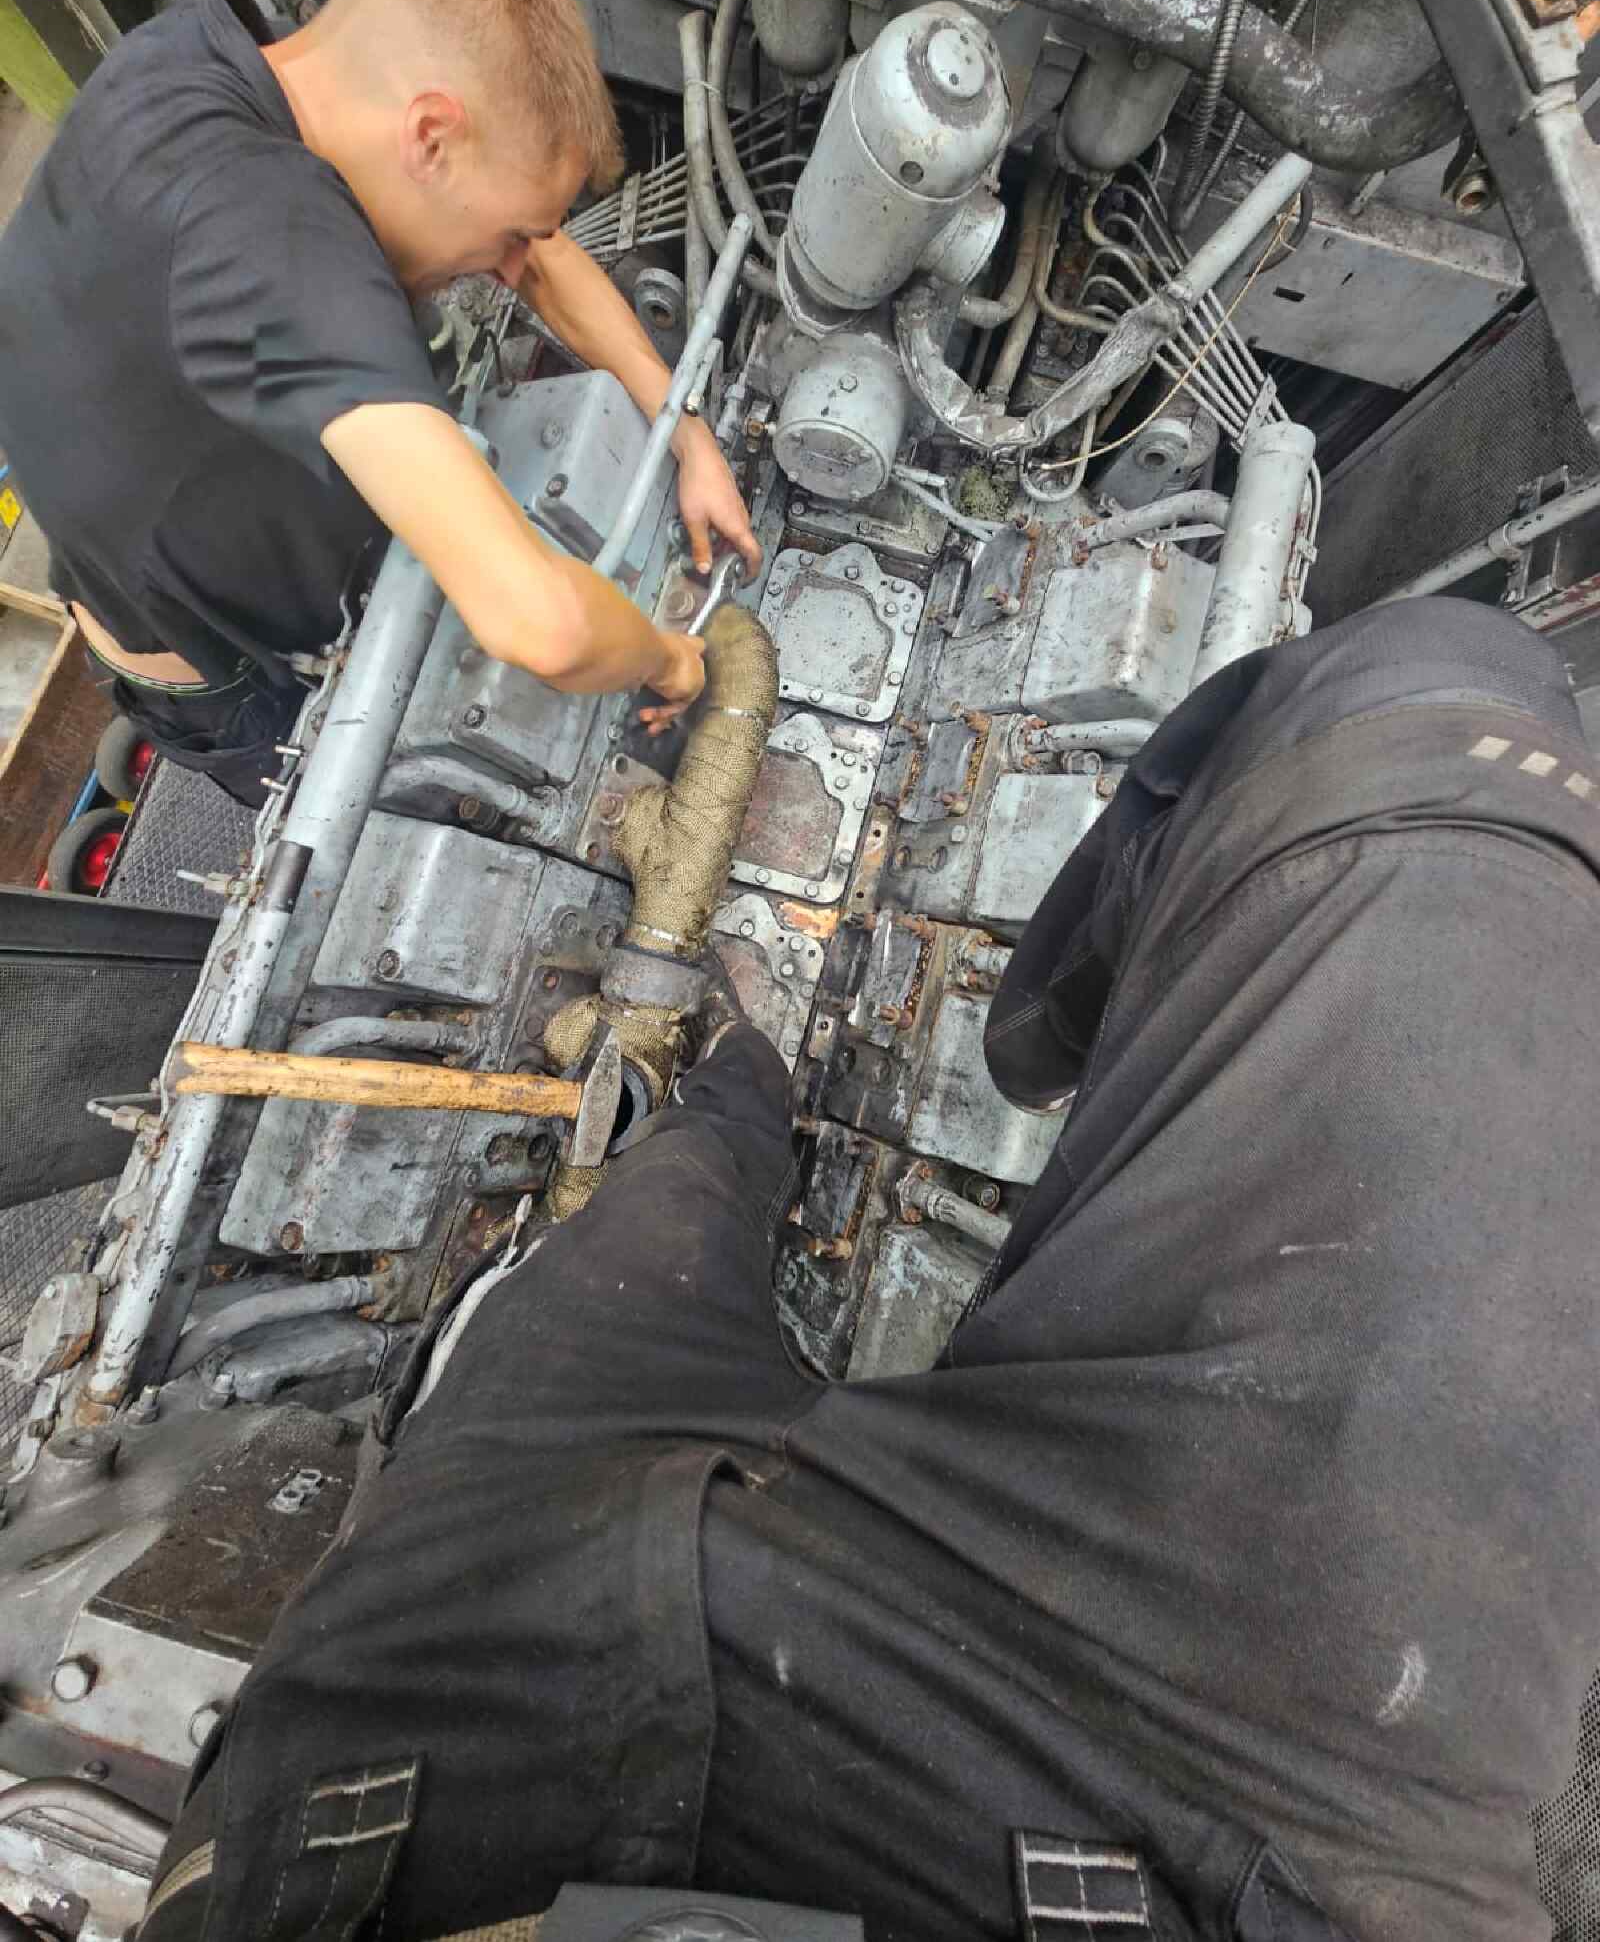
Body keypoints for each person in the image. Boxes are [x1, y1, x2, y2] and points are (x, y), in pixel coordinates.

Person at [136, 595, 1600, 1942]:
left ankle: (770, 1086)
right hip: (1186, 1783)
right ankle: (967, 1058)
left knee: (666, 1195)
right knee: (1431, 707)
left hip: (459, 1678)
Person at [0, 0, 757, 805]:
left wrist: (686, 433)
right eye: (507, 235)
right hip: (234, 664)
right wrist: (670, 659)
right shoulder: (274, 252)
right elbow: (544, 624)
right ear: (431, 135)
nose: (513, 265)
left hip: (178, 459)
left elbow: (545, 254)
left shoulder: (232, 66)